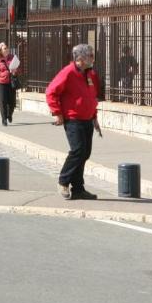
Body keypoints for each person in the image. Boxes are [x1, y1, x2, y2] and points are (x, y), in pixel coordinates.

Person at [45, 43, 103, 201]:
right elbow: (51, 91)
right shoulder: (68, 72)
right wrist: (57, 113)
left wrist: (94, 117)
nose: (93, 58)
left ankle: (78, 189)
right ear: (81, 58)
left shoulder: (89, 73)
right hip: (73, 118)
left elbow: (91, 97)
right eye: (90, 55)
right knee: (77, 151)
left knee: (85, 153)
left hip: (87, 119)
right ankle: (63, 181)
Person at [0, 42, 16, 127]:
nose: (7, 49)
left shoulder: (12, 58)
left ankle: (9, 114)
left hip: (11, 83)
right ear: (1, 51)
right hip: (1, 83)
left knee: (12, 102)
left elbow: (19, 69)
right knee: (3, 102)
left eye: (7, 48)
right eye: (5, 48)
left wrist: (15, 71)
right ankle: (4, 119)